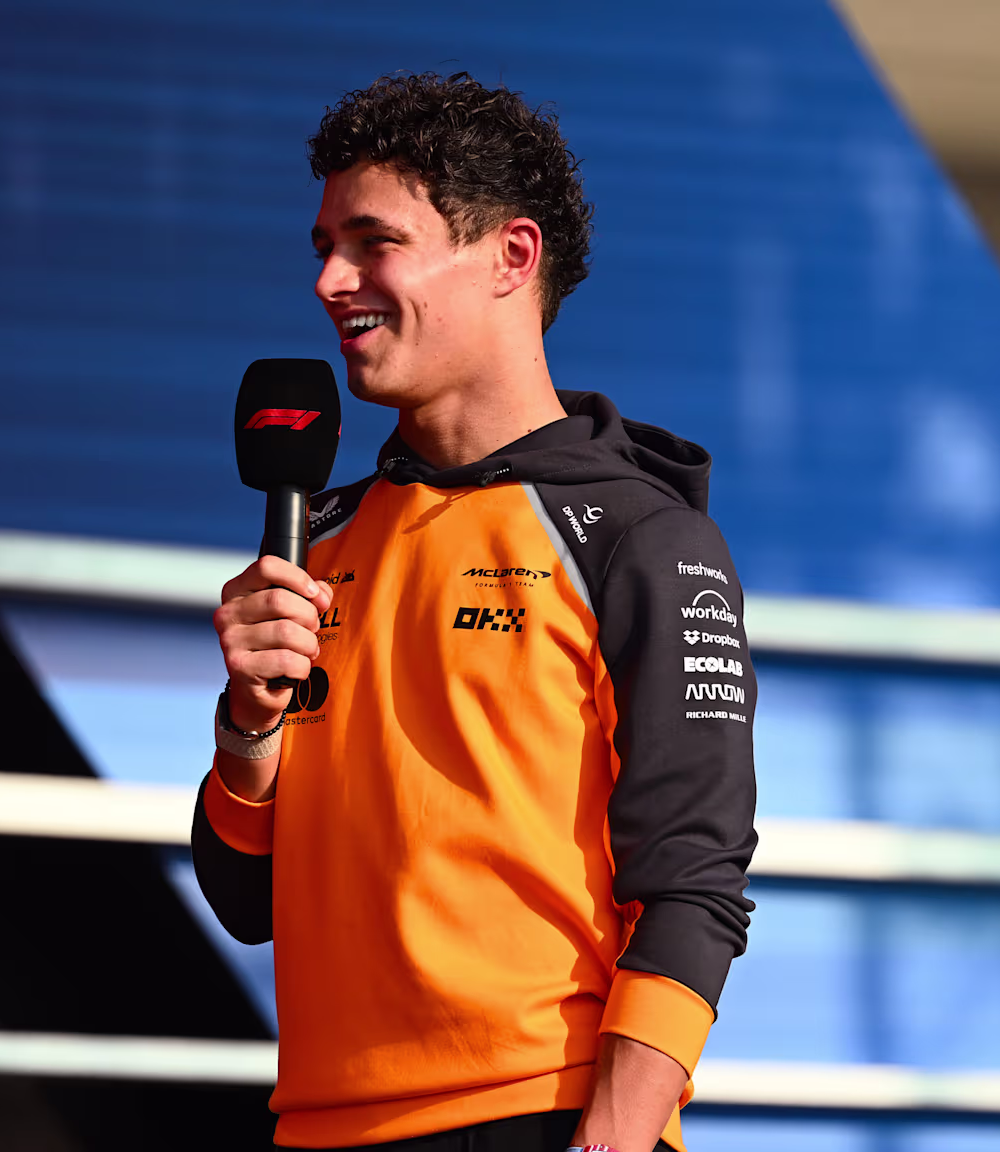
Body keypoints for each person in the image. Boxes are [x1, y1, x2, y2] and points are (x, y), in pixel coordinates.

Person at [192, 74, 756, 1152]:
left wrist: (613, 1140)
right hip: (313, 1129)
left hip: (538, 1116)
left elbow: (693, 881)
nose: (328, 281)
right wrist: (246, 729)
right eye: (324, 246)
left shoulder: (640, 538)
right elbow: (243, 901)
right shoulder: (316, 543)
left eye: (373, 243)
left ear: (510, 256)